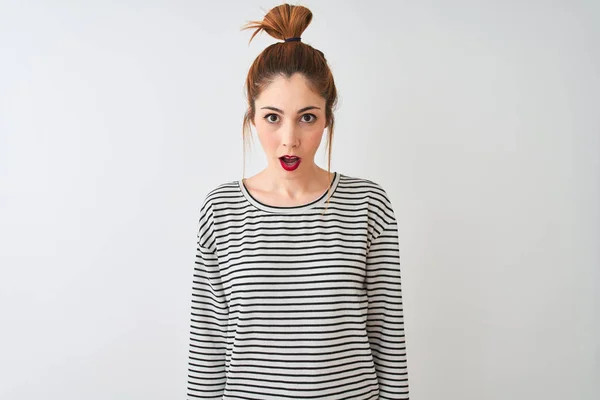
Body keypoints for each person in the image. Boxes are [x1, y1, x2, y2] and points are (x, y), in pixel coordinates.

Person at [187, 4, 409, 399]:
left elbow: (388, 342)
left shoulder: (368, 204)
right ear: (252, 118)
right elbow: (208, 351)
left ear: (327, 120)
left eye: (307, 117)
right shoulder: (220, 210)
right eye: (273, 117)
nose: (289, 139)